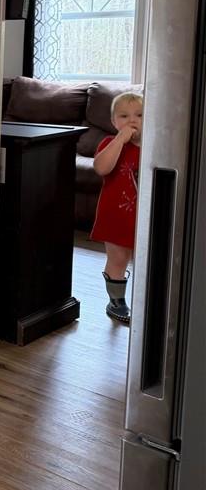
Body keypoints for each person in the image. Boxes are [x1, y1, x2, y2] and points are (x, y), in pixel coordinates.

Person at [90, 91, 144, 324]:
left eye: (139, 115)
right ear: (114, 122)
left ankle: (146, 299)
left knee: (146, 259)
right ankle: (116, 301)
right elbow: (101, 168)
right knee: (118, 259)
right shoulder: (109, 144)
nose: (132, 121)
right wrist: (120, 140)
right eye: (124, 116)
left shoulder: (153, 147)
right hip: (115, 215)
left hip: (144, 217)